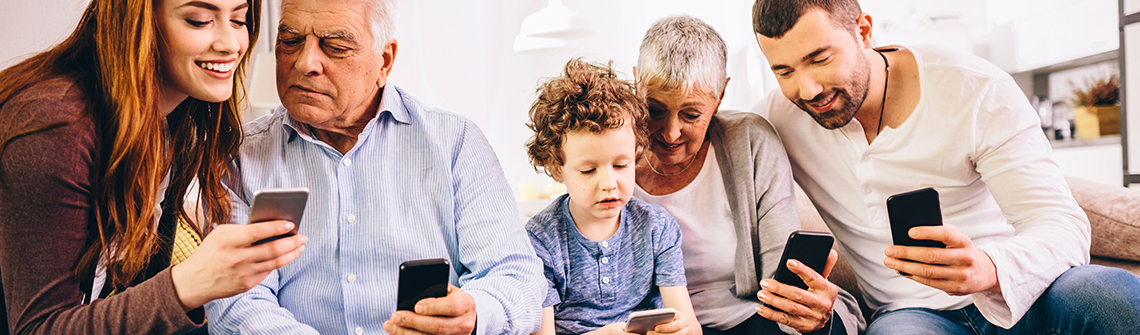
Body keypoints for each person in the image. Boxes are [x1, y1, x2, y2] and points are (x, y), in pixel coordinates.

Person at [752, 0, 1140, 334]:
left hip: (1025, 292)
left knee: (1112, 295)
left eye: (819, 59)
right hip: (909, 315)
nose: (807, 90)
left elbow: (1061, 224)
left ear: (863, 30)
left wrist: (988, 267)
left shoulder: (973, 88)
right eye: (783, 71)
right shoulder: (778, 116)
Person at [202, 0, 546, 334]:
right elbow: (239, 302)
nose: (306, 62)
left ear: (385, 61)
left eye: (335, 46)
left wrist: (473, 313)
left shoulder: (455, 143)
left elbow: (515, 277)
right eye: (290, 41)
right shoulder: (240, 155)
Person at [0, 0, 308, 334]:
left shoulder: (174, 120)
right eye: (199, 20)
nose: (230, 44)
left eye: (238, 20)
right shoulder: (56, 123)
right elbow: (38, 327)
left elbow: (143, 293)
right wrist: (191, 283)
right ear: (139, 24)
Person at [632, 15, 863, 335]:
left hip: (746, 318)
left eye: (691, 114)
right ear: (635, 83)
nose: (671, 133)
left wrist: (804, 311)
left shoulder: (750, 142)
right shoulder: (611, 154)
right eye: (656, 110)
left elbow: (778, 279)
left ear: (721, 96)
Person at [524, 58, 700, 335]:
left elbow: (690, 326)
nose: (609, 183)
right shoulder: (540, 241)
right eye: (588, 170)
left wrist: (682, 330)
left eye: (620, 165)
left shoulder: (657, 227)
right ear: (557, 168)